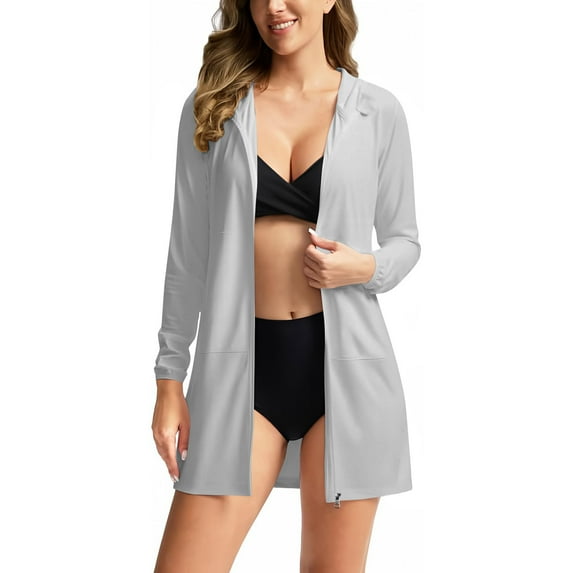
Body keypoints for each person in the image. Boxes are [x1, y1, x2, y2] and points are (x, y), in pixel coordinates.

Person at [151, 0, 421, 571]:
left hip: (347, 376)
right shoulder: (215, 108)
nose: (274, 6)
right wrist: (169, 379)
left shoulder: (377, 111)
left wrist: (363, 268)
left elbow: (405, 241)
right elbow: (187, 256)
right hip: (240, 374)